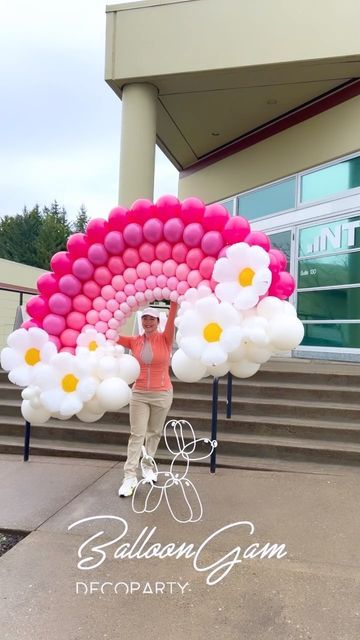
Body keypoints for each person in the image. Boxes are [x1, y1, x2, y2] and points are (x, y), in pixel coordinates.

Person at [117, 301, 178, 497]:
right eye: (145, 318)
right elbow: (111, 335)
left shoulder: (166, 338)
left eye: (152, 319)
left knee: (154, 432)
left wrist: (174, 298)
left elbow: (173, 313)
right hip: (140, 393)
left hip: (162, 393)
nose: (148, 322)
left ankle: (148, 465)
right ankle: (129, 477)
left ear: (158, 321)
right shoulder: (134, 341)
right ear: (141, 321)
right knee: (137, 434)